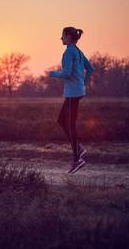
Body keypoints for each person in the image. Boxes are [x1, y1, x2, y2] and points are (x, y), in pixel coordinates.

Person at [50, 26, 94, 174]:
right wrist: (82, 82)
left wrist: (54, 74)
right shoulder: (78, 51)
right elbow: (90, 69)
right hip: (77, 91)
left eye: (62, 35)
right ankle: (79, 150)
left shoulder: (69, 51)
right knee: (62, 120)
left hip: (73, 92)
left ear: (68, 37)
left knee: (69, 124)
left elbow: (67, 73)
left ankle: (77, 160)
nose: (60, 38)